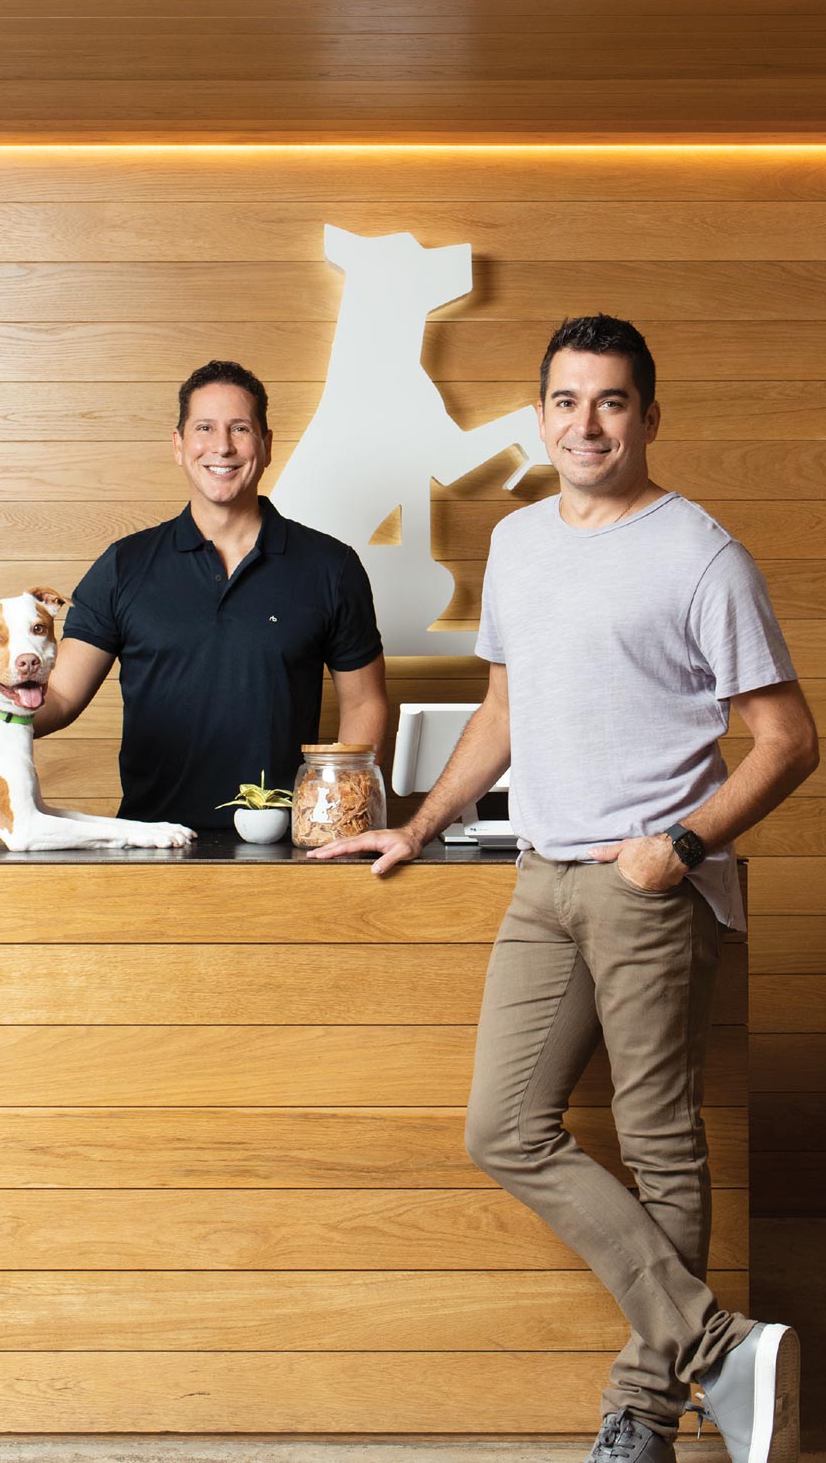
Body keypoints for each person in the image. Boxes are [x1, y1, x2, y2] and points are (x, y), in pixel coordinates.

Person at [310, 315, 818, 1463]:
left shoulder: (700, 554)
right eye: (566, 400)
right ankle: (720, 1346)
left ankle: (643, 1416)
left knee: (659, 1145)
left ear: (648, 415)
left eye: (611, 400)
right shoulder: (519, 540)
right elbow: (503, 710)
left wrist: (675, 846)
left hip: (648, 886)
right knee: (502, 1126)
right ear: (541, 416)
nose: (586, 423)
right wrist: (419, 822)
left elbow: (789, 739)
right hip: (541, 879)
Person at [32, 359, 388, 829]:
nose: (222, 446)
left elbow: (364, 703)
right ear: (178, 445)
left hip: (286, 845)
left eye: (240, 428)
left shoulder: (331, 566)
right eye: (204, 428)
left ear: (266, 444)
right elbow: (59, 697)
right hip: (152, 842)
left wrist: (339, 818)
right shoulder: (123, 565)